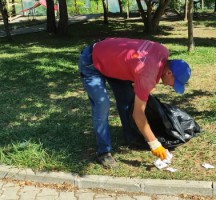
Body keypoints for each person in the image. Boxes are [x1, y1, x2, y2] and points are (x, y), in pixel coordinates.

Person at [78, 38, 191, 169]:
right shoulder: (148, 75)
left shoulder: (163, 51)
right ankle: (103, 152)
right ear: (169, 72)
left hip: (112, 62)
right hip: (91, 61)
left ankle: (130, 138)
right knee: (102, 105)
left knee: (127, 100)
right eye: (174, 83)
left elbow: (140, 61)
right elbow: (138, 114)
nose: (172, 86)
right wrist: (154, 144)